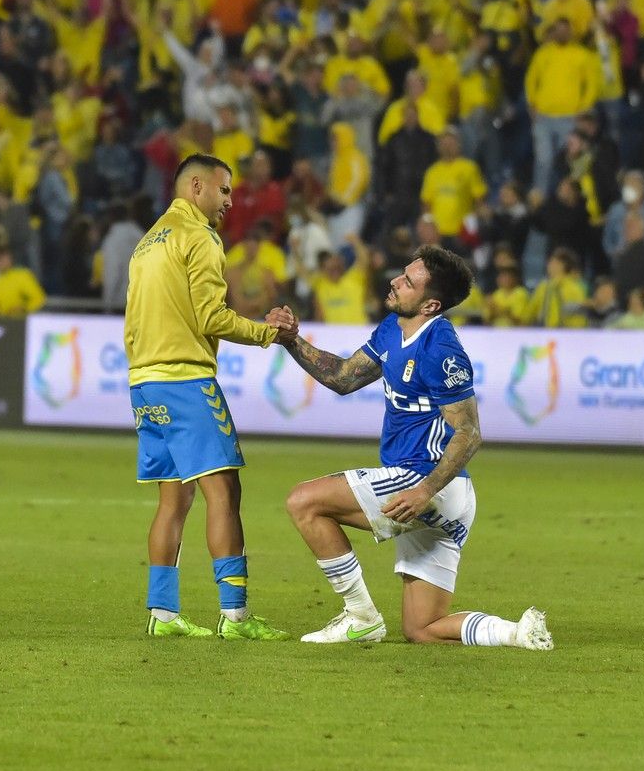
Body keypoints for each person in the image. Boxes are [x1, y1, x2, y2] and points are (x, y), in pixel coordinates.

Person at [267, 245, 553, 649]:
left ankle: (360, 615)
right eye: (402, 274)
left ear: (431, 304)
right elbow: (344, 378)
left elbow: (469, 433)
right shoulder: (392, 328)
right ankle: (517, 632)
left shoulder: (441, 349)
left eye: (408, 282)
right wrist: (293, 341)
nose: (395, 282)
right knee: (423, 628)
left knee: (304, 502)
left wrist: (424, 490)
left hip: (426, 482)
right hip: (440, 495)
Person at [126, 154, 293, 641]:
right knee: (224, 492)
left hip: (145, 382)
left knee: (173, 499)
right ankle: (235, 616)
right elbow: (211, 317)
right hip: (184, 379)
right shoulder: (198, 238)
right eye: (223, 191)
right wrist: (266, 334)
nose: (229, 201)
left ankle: (163, 614)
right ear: (196, 186)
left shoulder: (147, 243)